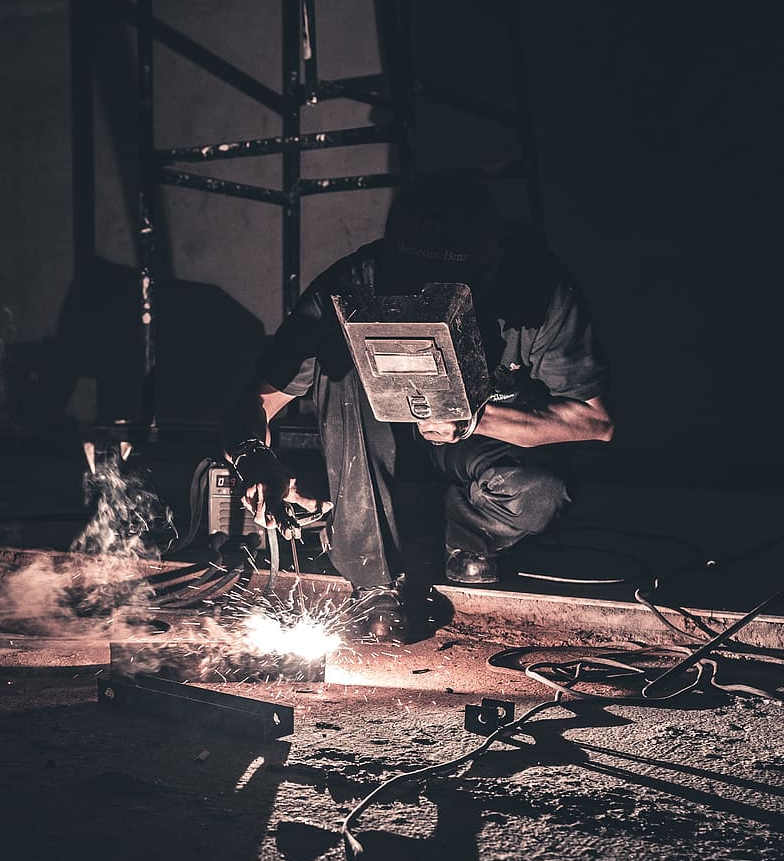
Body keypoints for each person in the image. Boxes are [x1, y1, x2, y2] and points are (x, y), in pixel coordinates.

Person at [223, 171, 613, 638]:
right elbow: (254, 402)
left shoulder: (542, 291)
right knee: (336, 354)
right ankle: (373, 580)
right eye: (412, 288)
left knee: (540, 494)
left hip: (477, 450)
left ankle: (451, 534)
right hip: (374, 446)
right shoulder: (351, 285)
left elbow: (595, 421)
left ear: (488, 270)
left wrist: (472, 420)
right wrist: (254, 458)